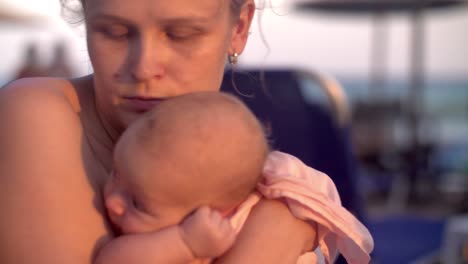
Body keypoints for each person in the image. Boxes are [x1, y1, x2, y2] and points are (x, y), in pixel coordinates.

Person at [0, 0, 371, 263]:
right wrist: (274, 233)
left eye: (180, 34)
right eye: (114, 32)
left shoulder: (248, 166)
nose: (144, 67)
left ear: (238, 29)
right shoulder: (35, 116)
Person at [97, 91, 372, 264]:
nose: (112, 202)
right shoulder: (177, 237)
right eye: (116, 172)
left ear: (216, 212)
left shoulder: (243, 220)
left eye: (137, 203)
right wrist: (183, 241)